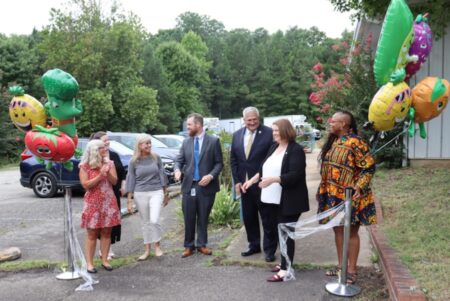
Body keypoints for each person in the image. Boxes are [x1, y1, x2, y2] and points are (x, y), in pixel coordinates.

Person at [243, 119, 309, 282]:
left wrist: (273, 179)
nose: (273, 133)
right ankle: (284, 263)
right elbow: (263, 169)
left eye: (277, 130)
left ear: (286, 131)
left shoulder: (296, 150)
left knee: (286, 234)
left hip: (290, 200)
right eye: (273, 130)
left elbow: (294, 175)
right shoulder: (274, 147)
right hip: (272, 199)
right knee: (279, 233)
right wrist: (252, 180)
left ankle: (286, 271)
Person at [317, 111, 376, 285]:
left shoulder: (356, 142)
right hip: (332, 195)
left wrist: (359, 186)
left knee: (351, 232)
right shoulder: (334, 141)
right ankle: (341, 266)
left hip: (350, 196)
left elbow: (369, 168)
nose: (330, 123)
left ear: (343, 124)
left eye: (333, 121)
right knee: (337, 230)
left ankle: (351, 270)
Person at [230, 106, 278, 262]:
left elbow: (271, 158)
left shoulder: (270, 133)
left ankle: (270, 250)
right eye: (249, 120)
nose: (252, 122)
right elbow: (234, 160)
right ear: (243, 120)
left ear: (259, 118)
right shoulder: (237, 135)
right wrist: (237, 181)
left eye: (254, 119)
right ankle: (253, 245)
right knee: (249, 218)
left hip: (262, 184)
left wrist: (259, 178)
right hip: (244, 186)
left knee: (267, 218)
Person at [174, 113, 223, 258]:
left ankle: (202, 245)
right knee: (188, 217)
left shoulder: (213, 141)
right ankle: (189, 246)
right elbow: (179, 160)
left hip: (206, 187)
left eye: (189, 125)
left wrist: (210, 176)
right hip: (189, 185)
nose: (187, 127)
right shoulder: (186, 142)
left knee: (203, 217)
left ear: (198, 125)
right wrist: (177, 170)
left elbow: (219, 163)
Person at [125, 134, 169, 261]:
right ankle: (147, 250)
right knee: (145, 222)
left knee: (154, 220)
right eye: (146, 143)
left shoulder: (156, 158)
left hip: (156, 191)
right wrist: (129, 200)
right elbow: (131, 179)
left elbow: (162, 175)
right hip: (140, 193)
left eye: (150, 143)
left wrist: (166, 194)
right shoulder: (133, 161)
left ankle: (158, 247)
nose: (149, 145)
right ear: (139, 145)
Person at [79, 139, 121, 273]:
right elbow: (85, 185)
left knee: (107, 232)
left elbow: (114, 182)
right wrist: (100, 175)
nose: (106, 149)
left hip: (108, 202)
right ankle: (89, 264)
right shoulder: (85, 166)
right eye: (102, 147)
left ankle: (105, 260)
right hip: (93, 202)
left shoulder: (110, 163)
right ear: (95, 150)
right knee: (92, 233)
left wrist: (107, 172)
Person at [89, 131, 126, 261]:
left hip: (113, 192)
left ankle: (108, 248)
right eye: (105, 140)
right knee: (99, 222)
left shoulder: (114, 155)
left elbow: (122, 172)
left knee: (111, 222)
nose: (107, 142)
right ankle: (101, 250)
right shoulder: (92, 157)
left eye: (108, 140)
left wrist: (123, 184)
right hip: (98, 194)